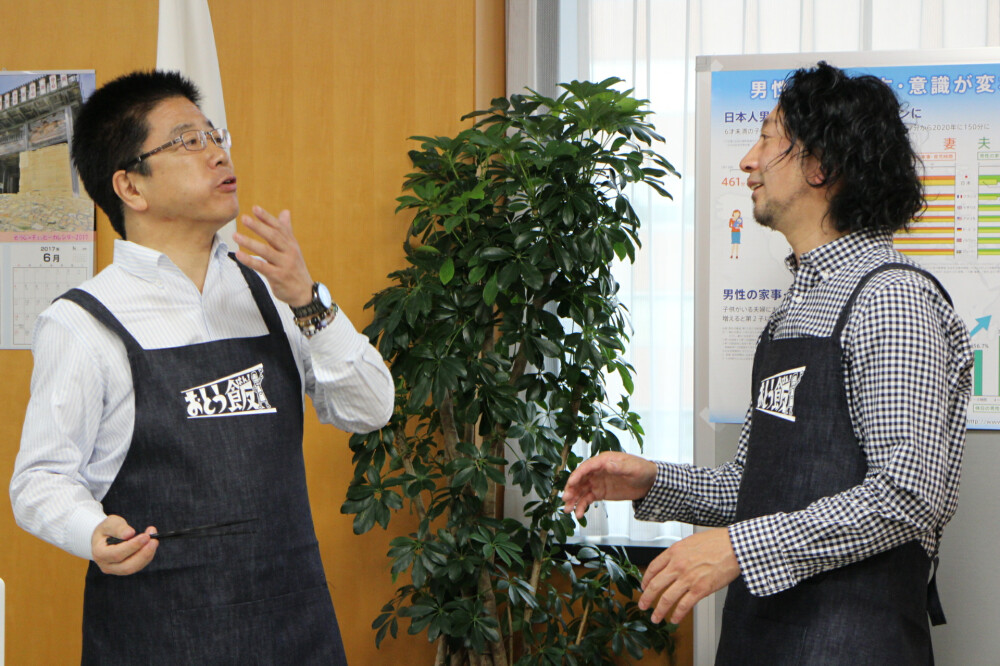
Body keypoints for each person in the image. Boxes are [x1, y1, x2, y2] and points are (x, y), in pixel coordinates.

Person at [562, 62, 973, 664]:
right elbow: (754, 489)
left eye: (766, 139)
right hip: (765, 636)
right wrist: (651, 480)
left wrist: (737, 551)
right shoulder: (790, 314)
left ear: (820, 166)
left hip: (854, 644)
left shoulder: (893, 299)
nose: (747, 161)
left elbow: (909, 495)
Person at [9, 70, 394, 664]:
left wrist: (306, 299)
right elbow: (39, 481)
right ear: (130, 187)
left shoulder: (272, 291)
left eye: (215, 135)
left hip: (294, 623)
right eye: (188, 141)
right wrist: (89, 529)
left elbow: (371, 411)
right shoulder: (85, 321)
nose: (217, 152)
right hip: (161, 632)